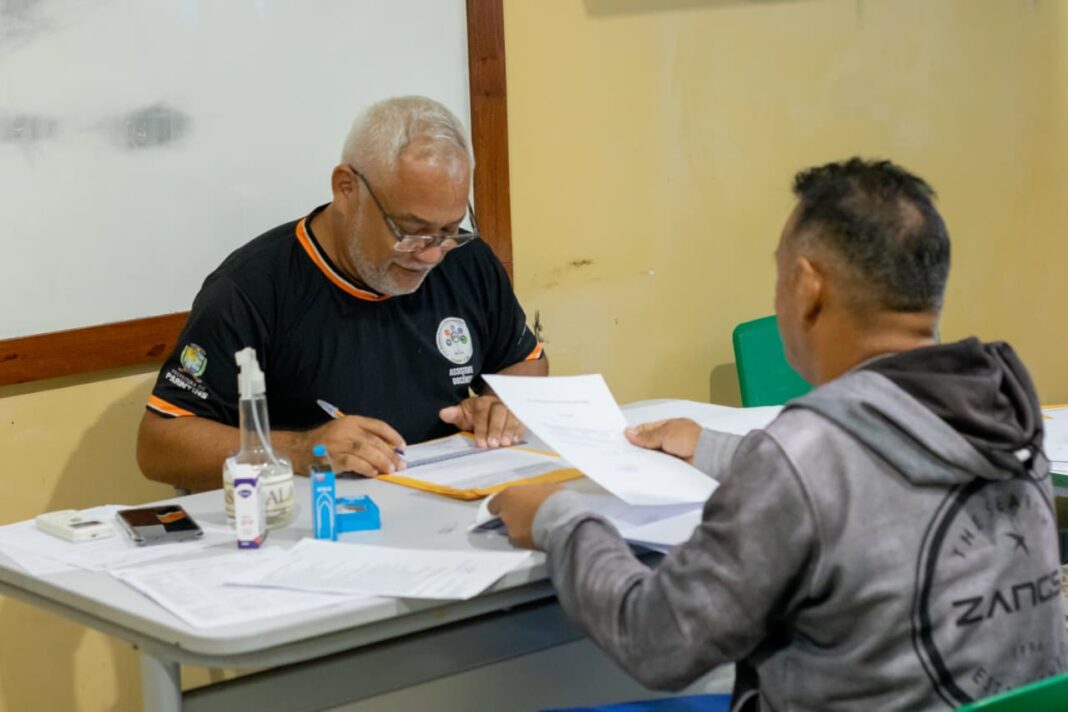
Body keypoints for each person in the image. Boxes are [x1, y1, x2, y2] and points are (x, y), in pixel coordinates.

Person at [491, 158, 1067, 710]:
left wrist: (558, 519)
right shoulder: (1002, 411)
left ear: (809, 287)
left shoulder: (806, 452)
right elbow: (871, 475)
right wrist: (714, 447)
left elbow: (658, 641)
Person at [138, 96, 546, 492]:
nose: (431, 254)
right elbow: (159, 445)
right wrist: (300, 451)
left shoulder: (466, 260)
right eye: (410, 230)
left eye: (449, 230)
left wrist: (501, 405)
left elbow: (524, 362)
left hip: (447, 498)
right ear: (346, 189)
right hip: (314, 514)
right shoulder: (252, 287)